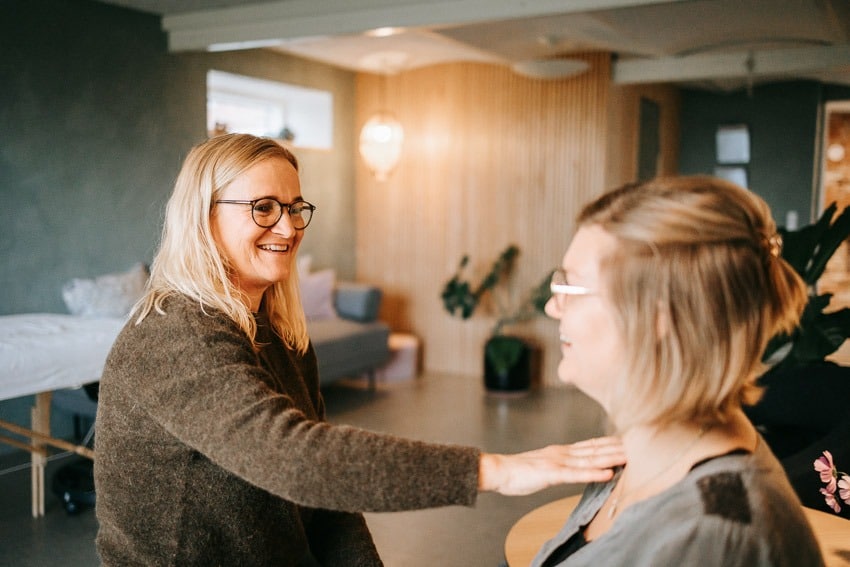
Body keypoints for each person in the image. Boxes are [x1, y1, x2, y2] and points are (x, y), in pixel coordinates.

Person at [93, 133, 625, 566]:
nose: (288, 226)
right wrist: (499, 471)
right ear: (203, 218)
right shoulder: (174, 333)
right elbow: (295, 460)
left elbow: (324, 500)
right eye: (262, 208)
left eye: (295, 207)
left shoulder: (276, 332)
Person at [532, 176, 825, 567]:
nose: (553, 307)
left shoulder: (715, 536)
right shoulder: (649, 441)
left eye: (572, 288)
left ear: (659, 315)